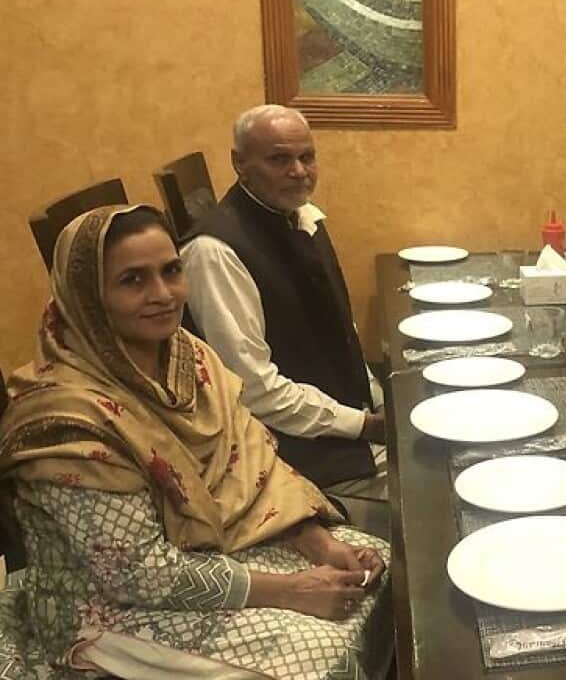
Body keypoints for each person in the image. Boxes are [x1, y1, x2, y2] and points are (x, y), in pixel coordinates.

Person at [0, 205, 390, 678]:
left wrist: (319, 544)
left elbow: (253, 472)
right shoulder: (67, 423)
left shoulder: (189, 360)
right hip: (102, 606)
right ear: (86, 297)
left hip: (211, 550)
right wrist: (291, 590)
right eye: (132, 280)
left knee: (381, 566)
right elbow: (136, 572)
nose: (163, 295)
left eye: (171, 271)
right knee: (317, 657)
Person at [181, 104, 384, 492]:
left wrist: (376, 400)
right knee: (439, 478)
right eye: (279, 159)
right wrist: (366, 425)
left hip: (341, 419)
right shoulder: (214, 252)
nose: (299, 171)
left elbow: (340, 331)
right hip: (288, 456)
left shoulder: (300, 216)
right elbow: (253, 390)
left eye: (307, 157)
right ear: (239, 163)